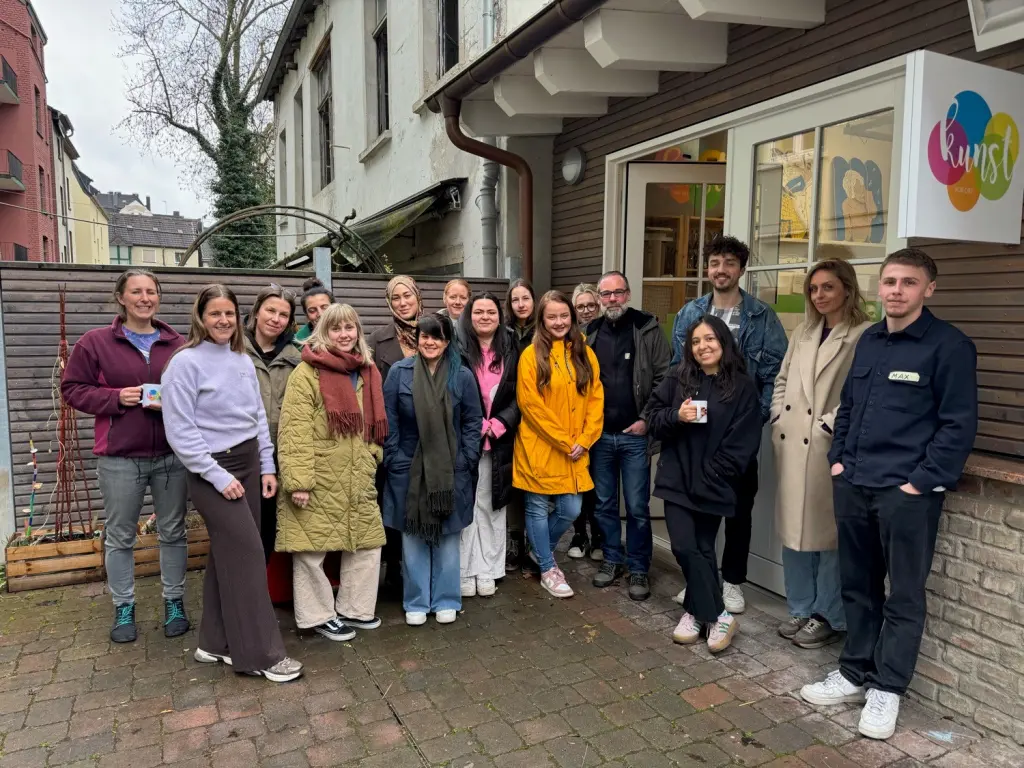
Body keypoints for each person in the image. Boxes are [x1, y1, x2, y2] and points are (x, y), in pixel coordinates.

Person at [800, 249, 977, 741]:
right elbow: (851, 406)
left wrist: (919, 482)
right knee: (856, 585)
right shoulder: (871, 341)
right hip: (855, 485)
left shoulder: (949, 346)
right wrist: (840, 465)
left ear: (929, 289)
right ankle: (855, 672)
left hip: (907, 495)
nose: (897, 290)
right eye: (890, 281)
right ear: (879, 287)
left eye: (909, 282)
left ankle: (887, 688)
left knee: (902, 593)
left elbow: (957, 426)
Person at [162, 284, 302, 683]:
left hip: (249, 466)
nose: (222, 321)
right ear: (200, 317)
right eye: (214, 314)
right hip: (212, 471)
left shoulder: (240, 358)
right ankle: (262, 655)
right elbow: (180, 431)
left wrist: (267, 466)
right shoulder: (184, 364)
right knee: (248, 556)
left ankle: (214, 642)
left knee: (230, 555)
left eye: (228, 313)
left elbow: (257, 416)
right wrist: (218, 476)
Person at [61, 269, 188, 644]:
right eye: (136, 291)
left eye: (151, 291)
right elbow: (72, 389)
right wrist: (115, 398)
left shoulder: (176, 342)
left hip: (171, 453)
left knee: (174, 531)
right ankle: (123, 606)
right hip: (119, 457)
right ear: (121, 297)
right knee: (119, 536)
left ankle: (175, 602)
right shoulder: (95, 342)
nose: (145, 298)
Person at [670, 235, 787, 613]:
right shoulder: (690, 313)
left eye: (730, 263)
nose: (722, 270)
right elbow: (678, 369)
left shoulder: (760, 316)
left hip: (738, 431)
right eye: (715, 262)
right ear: (708, 268)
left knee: (737, 509)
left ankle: (733, 581)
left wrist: (756, 414)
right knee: (698, 508)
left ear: (741, 269)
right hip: (697, 431)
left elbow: (774, 372)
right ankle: (700, 581)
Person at [771, 258, 871, 649]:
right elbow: (781, 379)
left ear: (846, 287)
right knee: (793, 532)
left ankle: (828, 614)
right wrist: (778, 415)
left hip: (828, 445)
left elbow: (860, 393)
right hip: (792, 440)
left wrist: (827, 424)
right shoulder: (803, 332)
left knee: (827, 534)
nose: (819, 295)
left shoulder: (864, 334)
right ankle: (799, 607)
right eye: (813, 289)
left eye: (828, 287)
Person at [648, 314, 761, 654]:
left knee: (702, 550)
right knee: (683, 548)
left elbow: (743, 442)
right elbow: (652, 418)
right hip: (677, 481)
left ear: (724, 342)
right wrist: (675, 416)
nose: (702, 347)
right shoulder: (677, 378)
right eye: (696, 341)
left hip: (714, 483)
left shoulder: (742, 387)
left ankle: (695, 613)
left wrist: (716, 472)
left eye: (709, 339)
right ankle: (719, 614)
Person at [276, 304, 388, 642]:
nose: (344, 335)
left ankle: (355, 608)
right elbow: (293, 430)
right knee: (312, 549)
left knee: (366, 544)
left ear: (357, 331)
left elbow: (375, 423)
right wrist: (298, 481)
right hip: (319, 475)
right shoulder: (307, 373)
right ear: (324, 331)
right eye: (336, 328)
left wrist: (373, 455)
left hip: (357, 474)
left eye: (349, 328)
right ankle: (318, 616)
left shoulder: (367, 370)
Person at [382, 314, 482, 625]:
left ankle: (446, 599)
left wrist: (465, 460)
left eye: (437, 336)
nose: (430, 341)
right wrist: (396, 460)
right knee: (412, 539)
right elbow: (389, 423)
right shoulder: (399, 374)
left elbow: (471, 423)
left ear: (448, 341)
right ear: (416, 338)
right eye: (424, 335)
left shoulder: (461, 376)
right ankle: (416, 600)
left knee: (449, 539)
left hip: (450, 471)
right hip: (409, 470)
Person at [586, 271, 671, 601]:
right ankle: (611, 559)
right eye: (605, 295)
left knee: (637, 506)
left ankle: (638, 567)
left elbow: (664, 376)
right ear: (598, 298)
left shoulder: (646, 327)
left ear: (628, 294)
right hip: (601, 437)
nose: (612, 300)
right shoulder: (590, 332)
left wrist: (646, 419)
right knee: (605, 504)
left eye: (618, 293)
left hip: (635, 435)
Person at [514, 291, 604, 599]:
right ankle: (549, 568)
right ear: (541, 320)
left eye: (563, 315)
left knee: (571, 508)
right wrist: (566, 441)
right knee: (538, 506)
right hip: (540, 447)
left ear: (572, 317)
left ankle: (538, 552)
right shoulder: (531, 355)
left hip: (575, 449)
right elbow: (531, 406)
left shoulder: (585, 354)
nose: (558, 322)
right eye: (551, 316)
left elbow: (595, 400)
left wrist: (584, 439)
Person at [458, 293, 520, 598]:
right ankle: (466, 570)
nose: (484, 317)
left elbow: (522, 394)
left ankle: (489, 569)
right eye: (478, 311)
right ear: (469, 316)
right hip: (467, 439)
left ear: (500, 316)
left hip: (499, 440)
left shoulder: (512, 348)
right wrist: (473, 423)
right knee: (467, 506)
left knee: (493, 505)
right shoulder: (458, 349)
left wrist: (500, 423)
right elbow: (450, 392)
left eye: (490, 312)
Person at [368, 275, 423, 594]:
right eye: (396, 298)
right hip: (390, 435)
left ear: (418, 297)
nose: (403, 302)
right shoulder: (377, 339)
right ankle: (394, 567)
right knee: (391, 500)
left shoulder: (432, 332)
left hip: (426, 435)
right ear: (389, 303)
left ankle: (418, 563)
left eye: (408, 296)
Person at [244, 285, 302, 562]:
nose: (275, 319)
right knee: (238, 530)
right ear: (256, 312)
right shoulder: (232, 349)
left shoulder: (297, 358)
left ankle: (258, 595)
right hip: (238, 454)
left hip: (278, 456)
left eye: (283, 315)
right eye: (270, 310)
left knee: (267, 528)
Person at [568, 283, 604, 562]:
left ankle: (600, 536)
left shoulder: (607, 332)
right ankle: (580, 533)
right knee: (577, 483)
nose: (587, 311)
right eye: (580, 306)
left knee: (598, 485)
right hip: (574, 424)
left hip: (600, 420)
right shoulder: (571, 338)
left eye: (591, 305)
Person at [503, 278, 536, 572]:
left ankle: (536, 541)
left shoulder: (544, 332)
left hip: (538, 414)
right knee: (515, 478)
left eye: (525, 298)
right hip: (510, 411)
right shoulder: (505, 332)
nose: (521, 304)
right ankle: (515, 538)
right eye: (516, 300)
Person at [293, 278, 334, 346]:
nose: (320, 314)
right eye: (312, 310)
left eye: (324, 307)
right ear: (307, 315)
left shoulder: (350, 333)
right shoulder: (299, 341)